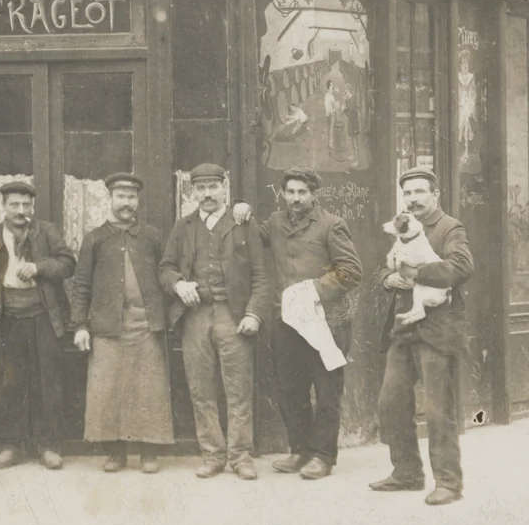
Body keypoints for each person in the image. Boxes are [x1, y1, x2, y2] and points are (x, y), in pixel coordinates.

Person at [234, 167, 362, 479]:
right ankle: (300, 450)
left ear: (314, 195)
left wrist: (313, 290)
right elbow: (250, 238)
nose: (295, 198)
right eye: (290, 192)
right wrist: (241, 208)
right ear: (282, 194)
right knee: (290, 390)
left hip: (326, 322)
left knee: (327, 390)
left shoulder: (331, 225)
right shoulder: (275, 223)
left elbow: (351, 271)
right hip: (287, 322)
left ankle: (323, 456)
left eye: (302, 192)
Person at [158, 163, 272, 480]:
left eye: (213, 187)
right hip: (195, 316)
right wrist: (179, 284)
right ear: (192, 192)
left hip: (232, 315)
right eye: (200, 188)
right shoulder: (183, 226)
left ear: (225, 189)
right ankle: (212, 454)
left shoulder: (242, 223)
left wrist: (253, 313)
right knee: (200, 389)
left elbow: (261, 276)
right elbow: (165, 268)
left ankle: (241, 456)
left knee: (238, 389)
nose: (207, 194)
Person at [370, 165, 474, 506]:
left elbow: (461, 267)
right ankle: (407, 474)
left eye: (419, 191)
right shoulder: (403, 226)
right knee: (391, 403)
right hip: (403, 328)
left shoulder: (449, 228)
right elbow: (385, 266)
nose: (413, 198)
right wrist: (388, 279)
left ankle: (448, 483)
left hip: (437, 331)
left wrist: (415, 273)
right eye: (408, 193)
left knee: (437, 409)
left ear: (435, 194)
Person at [70, 173, 175, 474]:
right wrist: (79, 325)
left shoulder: (152, 236)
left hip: (146, 326)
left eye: (131, 197)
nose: (126, 202)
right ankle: (115, 452)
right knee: (108, 390)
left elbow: (165, 273)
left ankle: (149, 452)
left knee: (149, 389)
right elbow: (81, 285)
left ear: (137, 200)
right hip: (107, 326)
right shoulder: (95, 239)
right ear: (110, 199)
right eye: (121, 196)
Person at [0, 182, 77, 471]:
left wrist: (38, 267)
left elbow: (68, 264)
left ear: (32, 207)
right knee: (9, 384)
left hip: (44, 317)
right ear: (3, 207)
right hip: (8, 319)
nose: (21, 210)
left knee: (47, 382)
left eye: (26, 205)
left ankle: (48, 446)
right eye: (14, 205)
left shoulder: (46, 231)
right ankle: (10, 446)